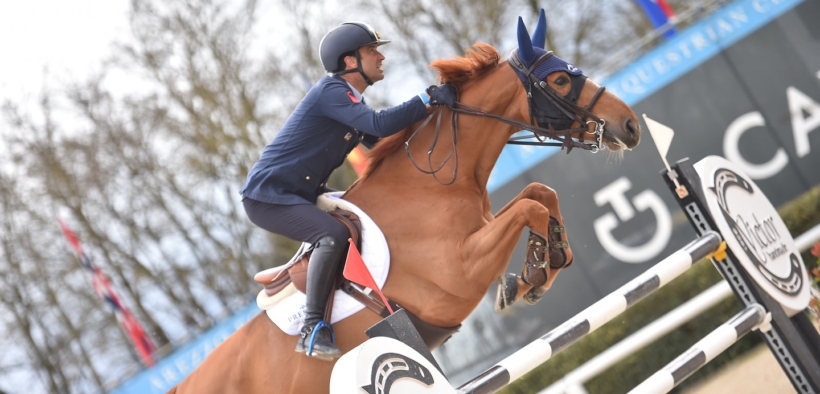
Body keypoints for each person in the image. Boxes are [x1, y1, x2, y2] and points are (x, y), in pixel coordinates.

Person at [239, 22, 457, 361]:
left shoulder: (348, 99)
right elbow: (380, 125)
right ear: (350, 61)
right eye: (373, 50)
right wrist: (425, 97)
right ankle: (312, 328)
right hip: (269, 197)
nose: (381, 56)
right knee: (331, 235)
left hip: (301, 194)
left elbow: (389, 143)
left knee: (369, 214)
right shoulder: (332, 92)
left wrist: (442, 114)